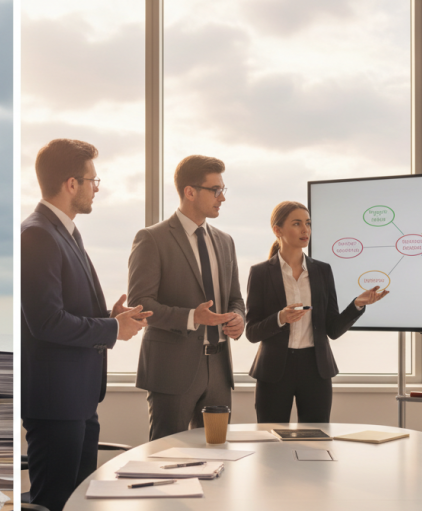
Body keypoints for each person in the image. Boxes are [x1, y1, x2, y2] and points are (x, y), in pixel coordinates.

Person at [22, 139, 150, 511]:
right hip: (56, 400)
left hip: (78, 397)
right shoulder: (37, 235)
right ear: (70, 182)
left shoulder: (64, 232)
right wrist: (113, 328)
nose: (98, 188)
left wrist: (108, 313)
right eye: (94, 180)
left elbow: (66, 309)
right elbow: (46, 322)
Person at [128, 155, 244, 441]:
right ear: (190, 192)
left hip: (218, 370)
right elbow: (140, 304)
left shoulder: (225, 241)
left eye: (223, 190)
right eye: (215, 190)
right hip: (172, 370)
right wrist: (193, 317)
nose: (222, 198)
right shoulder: (152, 238)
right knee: (168, 459)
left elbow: (235, 298)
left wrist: (239, 318)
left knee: (218, 456)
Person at [245, 201, 388, 423]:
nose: (305, 230)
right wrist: (280, 318)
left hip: (315, 369)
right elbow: (252, 332)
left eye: (308, 223)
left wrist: (357, 304)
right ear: (277, 230)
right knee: (270, 441)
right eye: (297, 223)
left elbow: (333, 329)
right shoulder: (260, 273)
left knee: (316, 443)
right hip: (273, 371)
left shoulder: (322, 270)